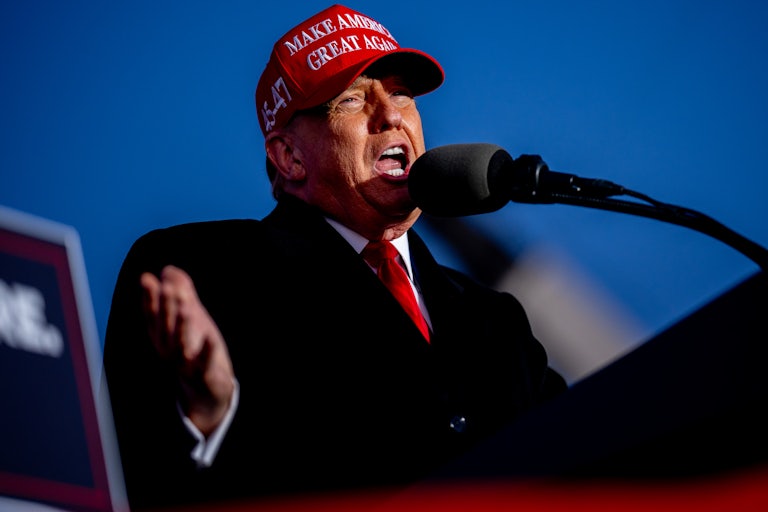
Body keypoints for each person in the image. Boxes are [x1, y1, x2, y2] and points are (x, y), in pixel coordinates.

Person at [102, 4, 568, 510]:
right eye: (351, 100)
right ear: (290, 157)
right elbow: (130, 469)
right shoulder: (201, 273)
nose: (390, 114)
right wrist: (205, 418)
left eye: (401, 93)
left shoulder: (497, 322)